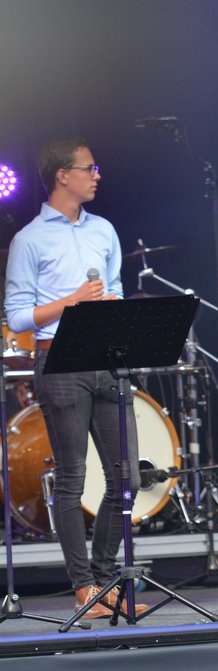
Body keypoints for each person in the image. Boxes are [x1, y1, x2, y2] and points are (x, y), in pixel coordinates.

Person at [4, 136, 150, 619]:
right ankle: (84, 587)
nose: (97, 175)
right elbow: (17, 316)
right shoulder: (29, 240)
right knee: (71, 478)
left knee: (127, 477)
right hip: (59, 358)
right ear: (62, 175)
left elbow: (116, 287)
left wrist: (112, 304)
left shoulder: (104, 230)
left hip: (107, 357)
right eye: (89, 168)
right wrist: (72, 303)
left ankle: (107, 579)